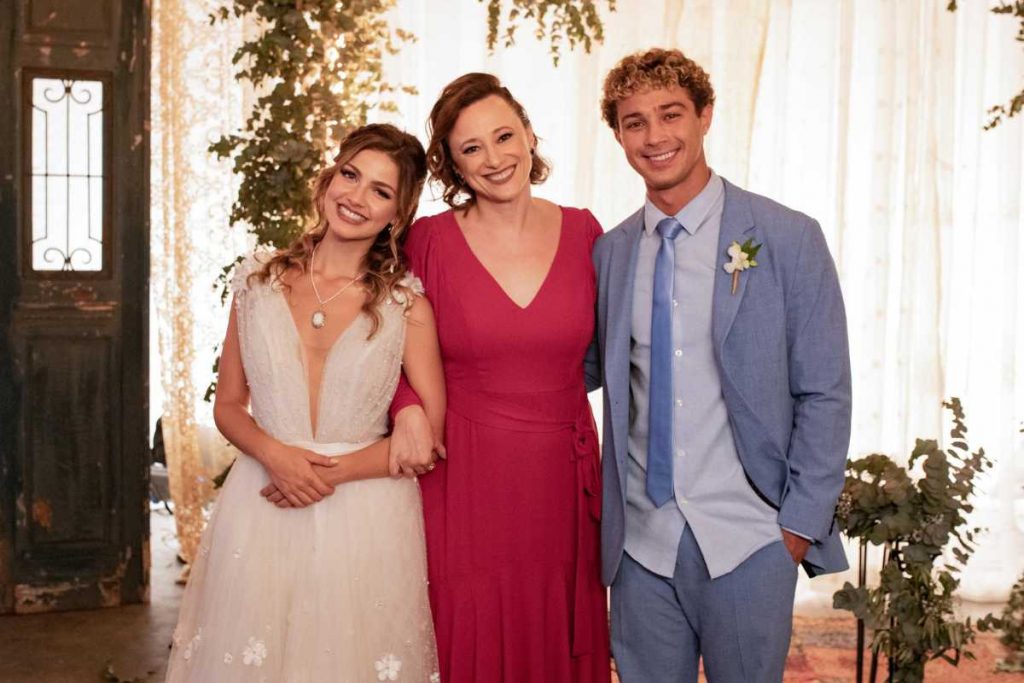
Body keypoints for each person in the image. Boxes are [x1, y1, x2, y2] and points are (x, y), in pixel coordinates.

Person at [589, 48, 852, 682]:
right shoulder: (609, 253)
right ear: (619, 136)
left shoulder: (786, 237)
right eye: (634, 122)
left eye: (671, 114)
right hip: (638, 548)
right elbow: (577, 370)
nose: (655, 137)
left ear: (705, 116)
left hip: (750, 538)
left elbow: (826, 391)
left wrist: (795, 528)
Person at [166, 124, 444, 682]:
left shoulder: (404, 304)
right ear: (327, 179)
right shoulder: (258, 281)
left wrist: (319, 473)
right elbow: (228, 406)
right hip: (262, 505)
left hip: (366, 516)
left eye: (380, 191)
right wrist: (275, 455)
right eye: (350, 175)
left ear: (397, 214)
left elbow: (427, 442)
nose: (356, 197)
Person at [389, 73, 610, 682]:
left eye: (504, 136)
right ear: (453, 166)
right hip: (464, 474)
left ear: (530, 134)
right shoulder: (427, 241)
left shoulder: (587, 231)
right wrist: (408, 406)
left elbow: (622, 352)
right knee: (466, 634)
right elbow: (384, 346)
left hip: (562, 481)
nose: (494, 158)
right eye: (471, 149)